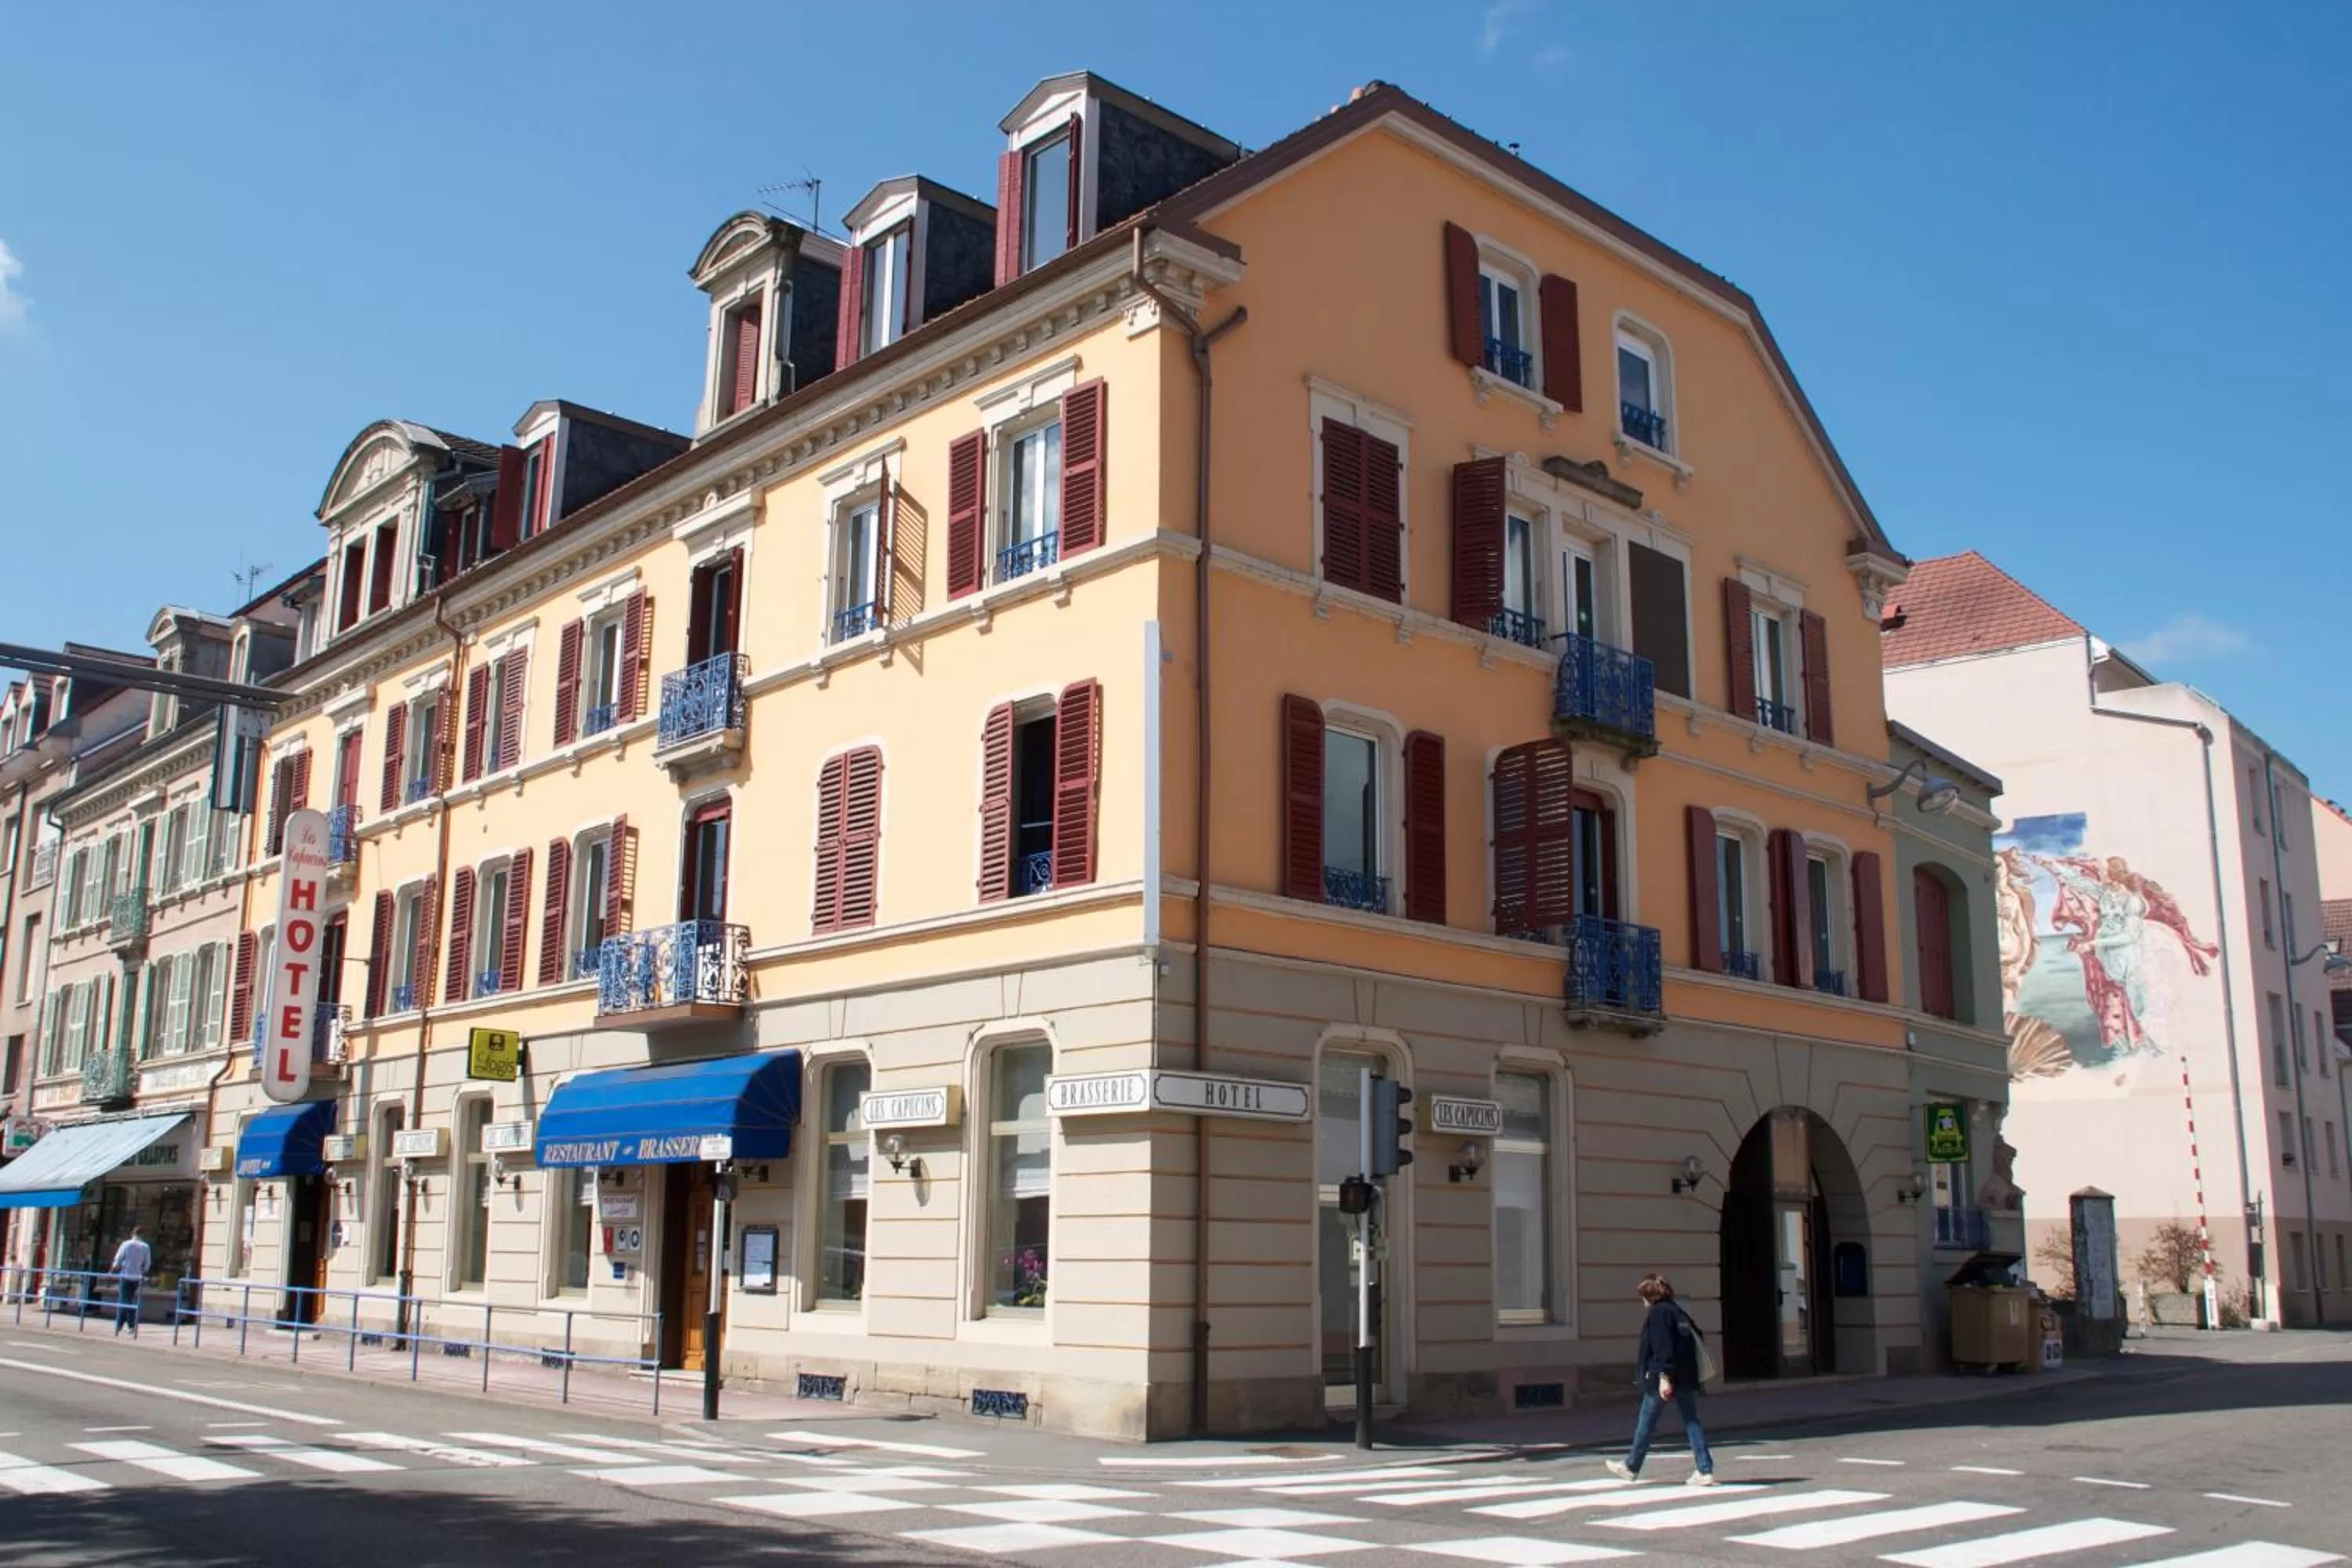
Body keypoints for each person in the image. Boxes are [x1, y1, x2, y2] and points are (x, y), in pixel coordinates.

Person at [1606, 1273, 1715, 1486]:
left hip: (1664, 1377)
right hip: (1685, 1376)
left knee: (1647, 1420)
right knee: (1692, 1421)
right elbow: (1696, 1338)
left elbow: (1662, 1348)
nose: (1642, 1302)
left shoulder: (1658, 1314)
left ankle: (1631, 1466)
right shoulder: (1678, 1312)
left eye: (1643, 1296)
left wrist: (1665, 1376)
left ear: (1649, 1296)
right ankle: (1705, 1469)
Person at [109, 1227, 152, 1338]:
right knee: (126, 1300)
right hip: (137, 1277)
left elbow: (118, 1258)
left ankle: (132, 1323)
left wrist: (112, 1270)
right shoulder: (145, 1247)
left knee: (124, 1301)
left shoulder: (126, 1244)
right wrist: (143, 1272)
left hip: (126, 1275)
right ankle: (119, 1325)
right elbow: (147, 1264)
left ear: (132, 1233)